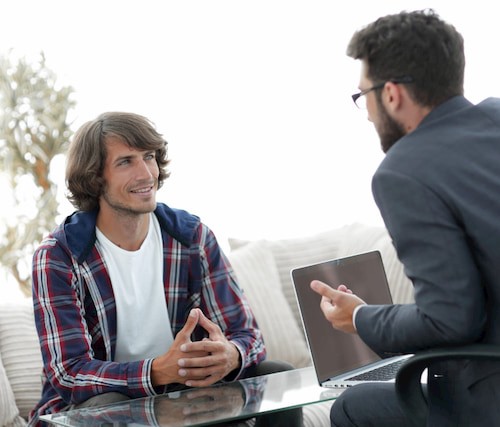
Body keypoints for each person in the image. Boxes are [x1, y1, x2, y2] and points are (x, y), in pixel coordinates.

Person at [29, 111, 301, 427]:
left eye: (149, 157)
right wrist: (157, 371)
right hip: (96, 410)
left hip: (183, 398)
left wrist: (232, 354)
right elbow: (69, 373)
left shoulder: (192, 237)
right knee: (106, 407)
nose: (146, 173)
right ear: (94, 177)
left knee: (277, 375)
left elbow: (248, 335)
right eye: (125, 162)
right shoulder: (59, 257)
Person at [310, 9, 500, 427]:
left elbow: (451, 319)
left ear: (391, 94)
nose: (369, 112)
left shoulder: (404, 170)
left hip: (489, 398)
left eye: (364, 97)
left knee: (350, 407)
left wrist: (359, 317)